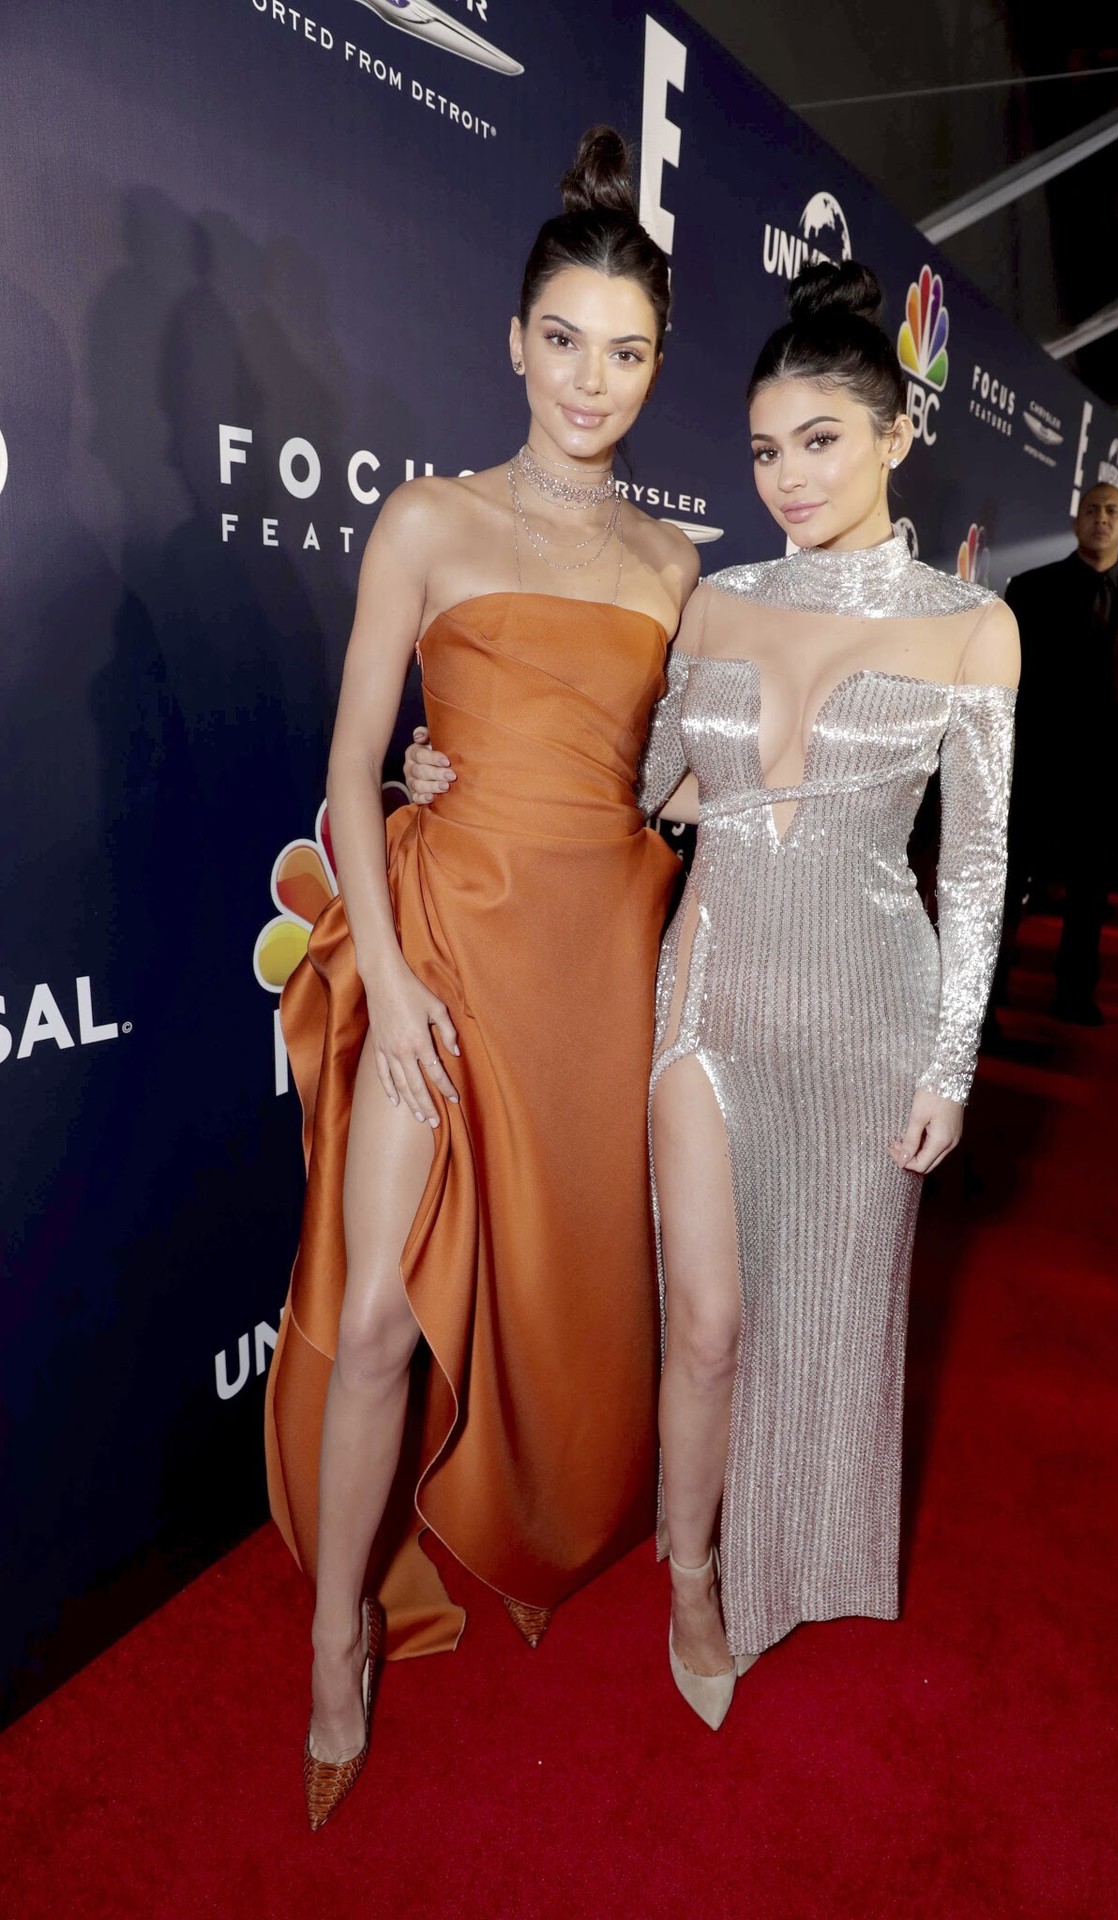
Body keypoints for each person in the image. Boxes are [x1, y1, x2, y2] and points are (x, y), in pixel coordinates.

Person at [265, 126, 699, 1828]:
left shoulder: (675, 566)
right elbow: (353, 757)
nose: (592, 380)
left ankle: (522, 1513)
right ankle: (337, 1645)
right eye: (566, 340)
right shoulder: (426, 520)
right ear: (514, 342)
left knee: (553, 1288)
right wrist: (388, 970)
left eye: (628, 352)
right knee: (380, 1312)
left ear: (657, 368)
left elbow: (670, 771)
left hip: (593, 967)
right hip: (440, 945)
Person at [634, 263, 1018, 1725]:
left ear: (895, 435)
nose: (786, 477)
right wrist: (454, 771)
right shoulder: (717, 600)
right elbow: (646, 787)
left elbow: (974, 866)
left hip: (870, 1016)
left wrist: (948, 1067)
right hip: (711, 995)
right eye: (762, 449)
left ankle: (790, 1542)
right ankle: (691, 1578)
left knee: (827, 1318)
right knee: (708, 1320)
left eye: (819, 441)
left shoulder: (972, 627)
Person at [996, 484, 1118, 1026]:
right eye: (1092, 509)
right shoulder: (1031, 588)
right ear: (1077, 520)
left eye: (1112, 511)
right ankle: (985, 996)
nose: (1101, 518)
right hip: (1036, 768)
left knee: (1091, 893)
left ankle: (1075, 994)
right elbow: (1004, 678)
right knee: (1006, 890)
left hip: (1108, 775)